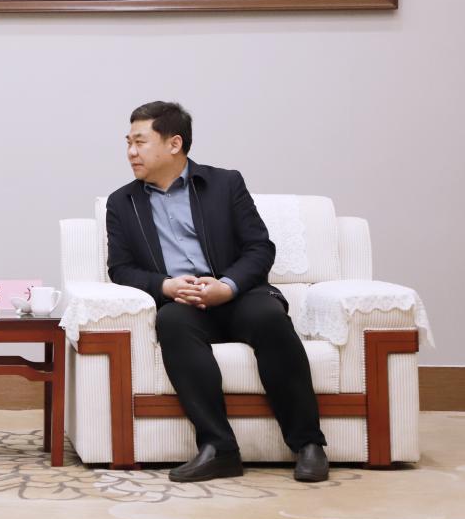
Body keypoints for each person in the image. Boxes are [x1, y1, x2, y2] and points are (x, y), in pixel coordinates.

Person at [105, 101, 328, 483]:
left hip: (237, 294)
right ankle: (219, 449)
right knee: (172, 324)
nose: (130, 152)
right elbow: (120, 268)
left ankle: (308, 444)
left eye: (140, 142)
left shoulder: (225, 184)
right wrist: (165, 285)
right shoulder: (123, 203)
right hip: (183, 301)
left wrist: (227, 286)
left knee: (270, 319)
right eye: (128, 142)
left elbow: (259, 248)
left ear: (174, 143)